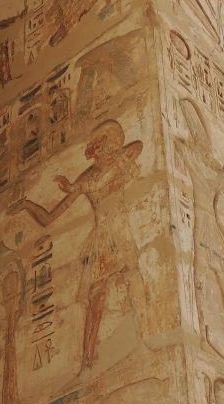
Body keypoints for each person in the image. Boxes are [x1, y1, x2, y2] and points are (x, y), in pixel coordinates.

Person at [11, 119, 143, 373]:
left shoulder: (118, 162)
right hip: (103, 237)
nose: (94, 147)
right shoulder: (86, 177)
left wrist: (82, 185)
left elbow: (137, 146)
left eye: (99, 141)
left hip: (121, 231)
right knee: (97, 298)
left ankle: (143, 340)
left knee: (133, 281)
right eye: (94, 143)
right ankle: (87, 362)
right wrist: (28, 205)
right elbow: (49, 218)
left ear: (110, 143)